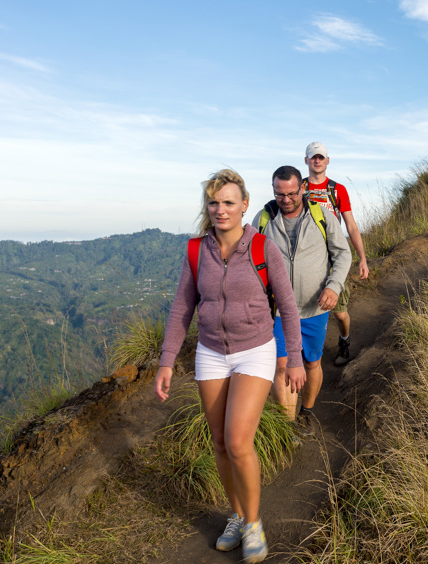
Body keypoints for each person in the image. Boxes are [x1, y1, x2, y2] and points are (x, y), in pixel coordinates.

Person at [155, 169, 303, 563]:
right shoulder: (195, 251)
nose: (220, 209)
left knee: (238, 441)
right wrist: (167, 362)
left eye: (229, 202)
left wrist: (295, 361)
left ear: (244, 206)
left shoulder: (262, 248)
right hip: (210, 352)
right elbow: (183, 308)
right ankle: (236, 515)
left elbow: (287, 306)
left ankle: (253, 524)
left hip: (255, 350)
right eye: (214, 202)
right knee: (219, 442)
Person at [257, 165, 351, 434]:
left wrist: (334, 286)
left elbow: (343, 254)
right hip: (277, 311)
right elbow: (250, 258)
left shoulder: (322, 216)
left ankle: (307, 412)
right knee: (282, 364)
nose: (286, 200)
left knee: (311, 362)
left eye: (291, 194)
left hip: (314, 307)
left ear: (303, 188)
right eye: (279, 194)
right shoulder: (264, 218)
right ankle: (289, 426)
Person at [301, 141, 369, 367]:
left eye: (321, 157)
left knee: (340, 312)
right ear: (306, 161)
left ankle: (344, 340)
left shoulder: (338, 190)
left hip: (331, 256)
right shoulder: (298, 188)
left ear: (327, 161)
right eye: (313, 157)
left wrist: (362, 258)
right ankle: (304, 351)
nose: (317, 161)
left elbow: (351, 226)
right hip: (305, 256)